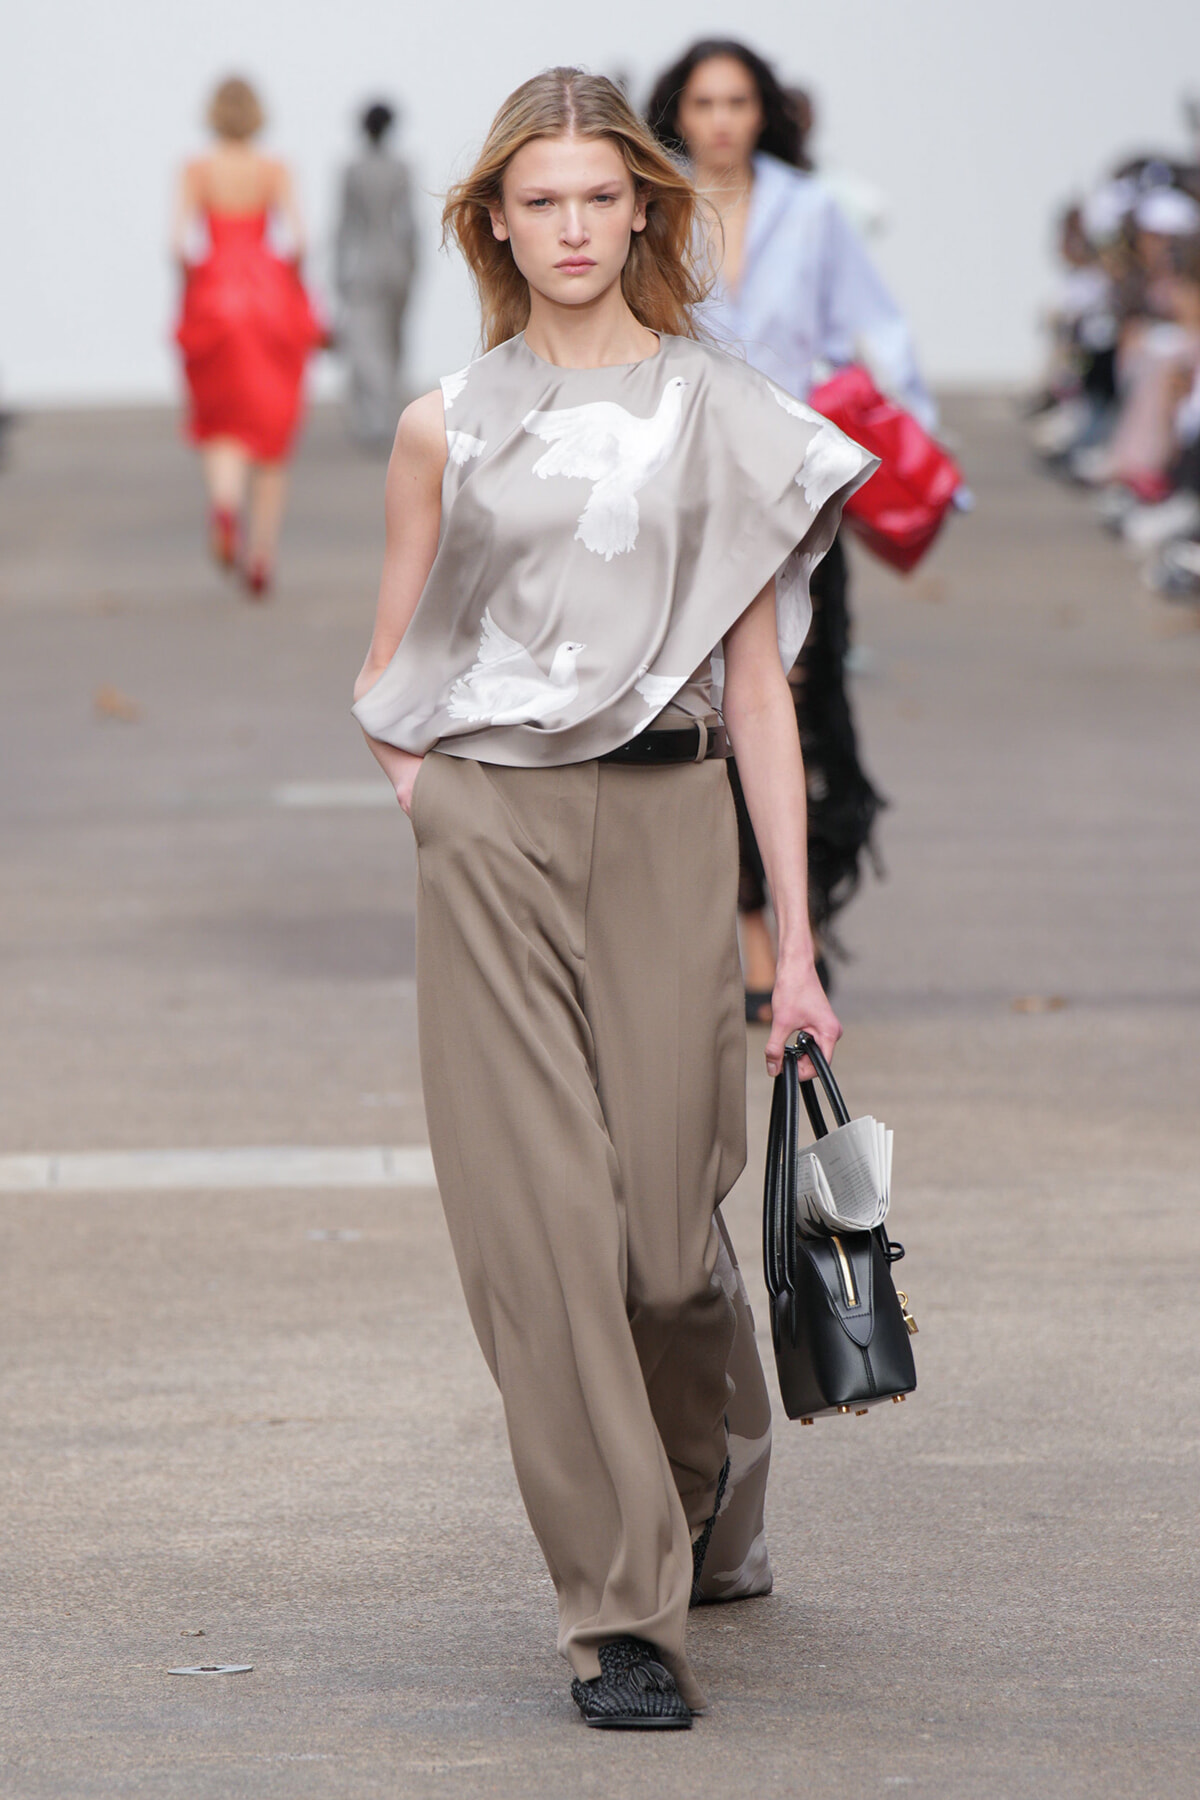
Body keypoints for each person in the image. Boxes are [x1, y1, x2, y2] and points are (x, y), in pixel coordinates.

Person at [351, 68, 874, 1728]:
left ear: (642, 208)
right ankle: (618, 1616)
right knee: (544, 1235)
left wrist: (795, 948)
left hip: (668, 818)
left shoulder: (723, 411)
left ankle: (712, 1491)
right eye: (541, 201)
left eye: (598, 197)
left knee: (663, 1243)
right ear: (495, 225)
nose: (572, 228)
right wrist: (434, 800)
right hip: (491, 827)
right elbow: (391, 661)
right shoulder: (445, 422)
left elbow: (765, 691)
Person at [647, 39, 934, 1020]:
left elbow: (876, 327)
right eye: (703, 102)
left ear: (764, 110)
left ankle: (787, 930)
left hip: (800, 489)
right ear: (677, 112)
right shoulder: (652, 207)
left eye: (737, 101)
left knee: (796, 713)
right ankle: (747, 931)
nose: (721, 120)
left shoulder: (812, 213)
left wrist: (914, 444)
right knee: (706, 710)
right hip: (687, 489)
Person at [172, 76, 323, 597]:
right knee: (272, 435)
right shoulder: (273, 169)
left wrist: (194, 286)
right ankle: (261, 555)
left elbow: (177, 244)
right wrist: (291, 287)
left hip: (215, 293)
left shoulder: (196, 170)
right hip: (268, 296)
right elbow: (300, 240)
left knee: (222, 424)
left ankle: (224, 507)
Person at [335, 101, 419, 452]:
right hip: (396, 263)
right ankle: (383, 416)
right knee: (390, 341)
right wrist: (413, 265)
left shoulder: (354, 169)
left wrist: (338, 271)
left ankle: (376, 419)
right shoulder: (401, 167)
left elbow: (345, 225)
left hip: (365, 264)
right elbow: (409, 225)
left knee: (367, 344)